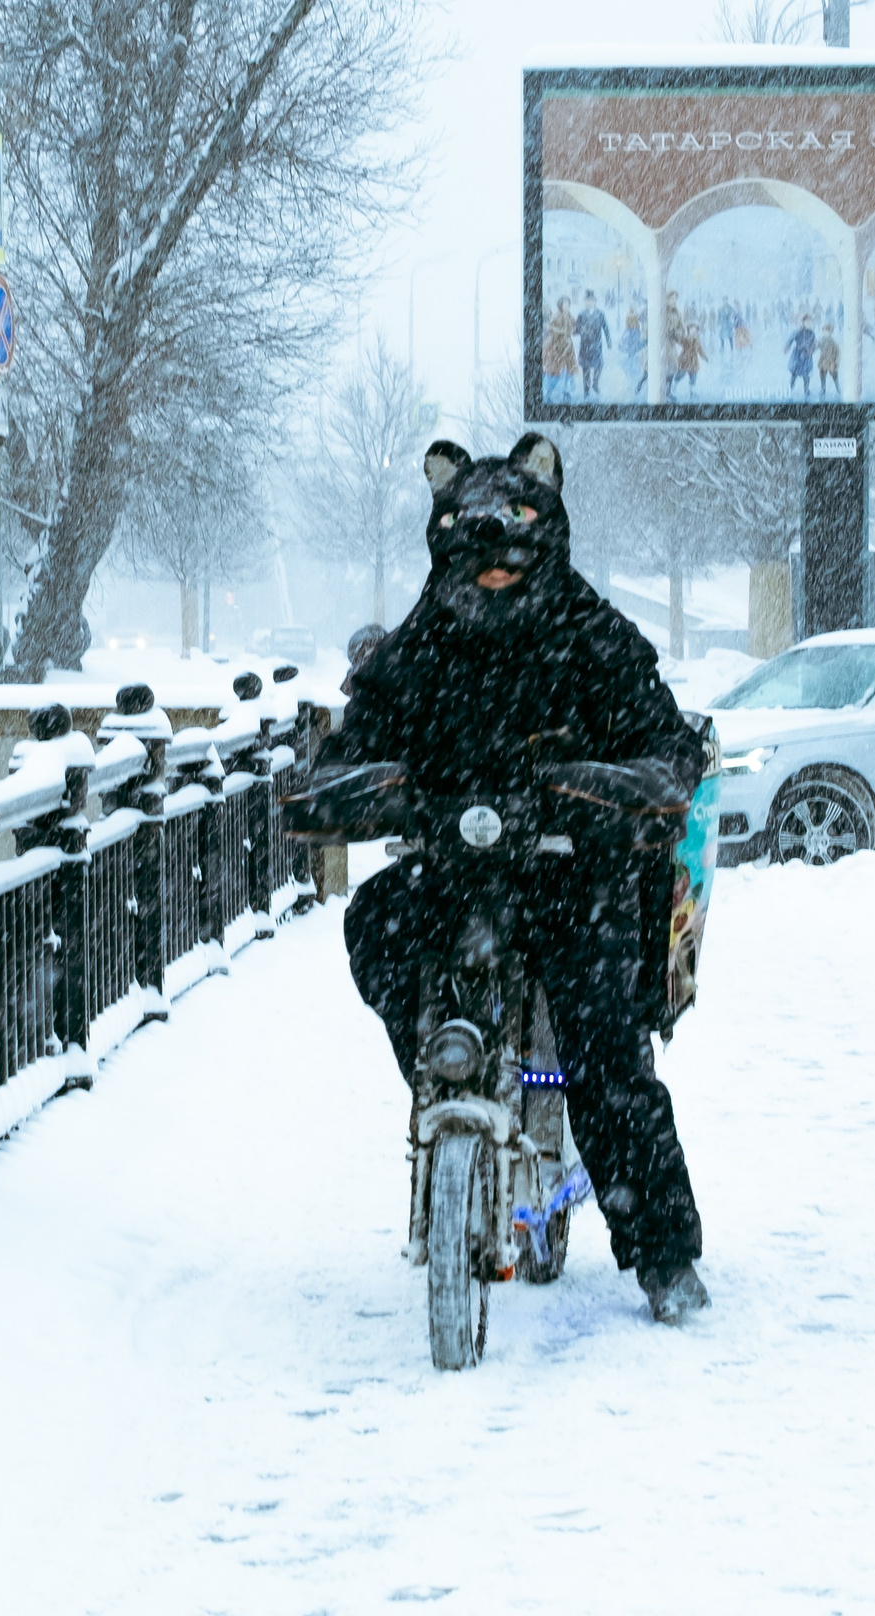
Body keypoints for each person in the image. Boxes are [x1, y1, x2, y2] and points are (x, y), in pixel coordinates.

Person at [301, 434, 711, 1322]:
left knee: (606, 1048)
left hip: (571, 879)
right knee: (375, 926)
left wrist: (632, 784)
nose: (493, 577)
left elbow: (665, 737)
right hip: (454, 876)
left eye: (511, 557)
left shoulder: (593, 633)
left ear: (546, 543)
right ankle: (440, 1080)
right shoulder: (420, 643)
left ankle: (664, 1254)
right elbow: (355, 741)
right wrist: (339, 785)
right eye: (474, 560)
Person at [574, 291, 609, 399]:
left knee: (599, 365)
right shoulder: (581, 314)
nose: (589, 303)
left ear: (595, 302)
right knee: (586, 368)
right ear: (585, 302)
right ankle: (586, 390)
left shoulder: (600, 314)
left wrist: (609, 340)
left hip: (596, 344)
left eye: (591, 301)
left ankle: (595, 383)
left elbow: (605, 327)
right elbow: (576, 330)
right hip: (585, 345)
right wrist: (581, 330)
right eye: (587, 301)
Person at [542, 298, 577, 402]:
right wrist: (563, 332)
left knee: (568, 370)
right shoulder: (556, 316)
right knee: (555, 371)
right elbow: (550, 328)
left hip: (568, 346)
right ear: (560, 305)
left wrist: (573, 329)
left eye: (568, 305)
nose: (566, 307)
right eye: (564, 305)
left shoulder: (569, 315)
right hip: (557, 346)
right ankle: (548, 392)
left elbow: (574, 325)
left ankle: (566, 391)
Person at [786, 314, 818, 398]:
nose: (808, 324)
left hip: (807, 355)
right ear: (803, 322)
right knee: (794, 374)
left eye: (810, 322)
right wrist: (787, 346)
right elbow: (790, 339)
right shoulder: (798, 332)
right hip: (797, 355)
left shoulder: (811, 333)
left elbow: (814, 343)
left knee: (806, 375)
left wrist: (812, 349)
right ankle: (790, 389)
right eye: (806, 322)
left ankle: (806, 390)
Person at [620, 308, 647, 398]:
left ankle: (634, 386)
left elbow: (624, 341)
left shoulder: (632, 330)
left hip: (634, 348)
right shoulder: (635, 330)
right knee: (636, 369)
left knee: (636, 368)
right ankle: (634, 386)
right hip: (635, 348)